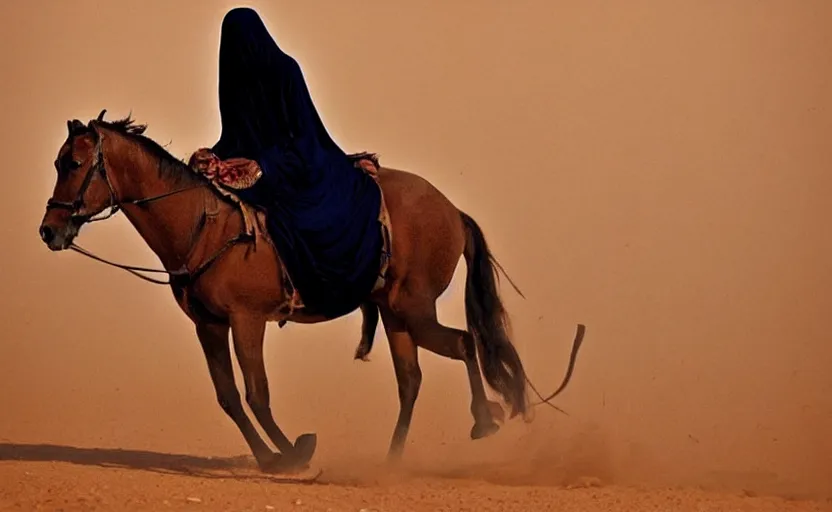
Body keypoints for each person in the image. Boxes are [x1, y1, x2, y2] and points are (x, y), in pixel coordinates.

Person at [189, 7, 384, 320]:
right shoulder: (235, 80)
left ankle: (297, 291)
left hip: (298, 164)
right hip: (259, 166)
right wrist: (214, 156)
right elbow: (236, 136)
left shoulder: (284, 71)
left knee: (291, 218)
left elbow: (306, 137)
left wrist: (264, 164)